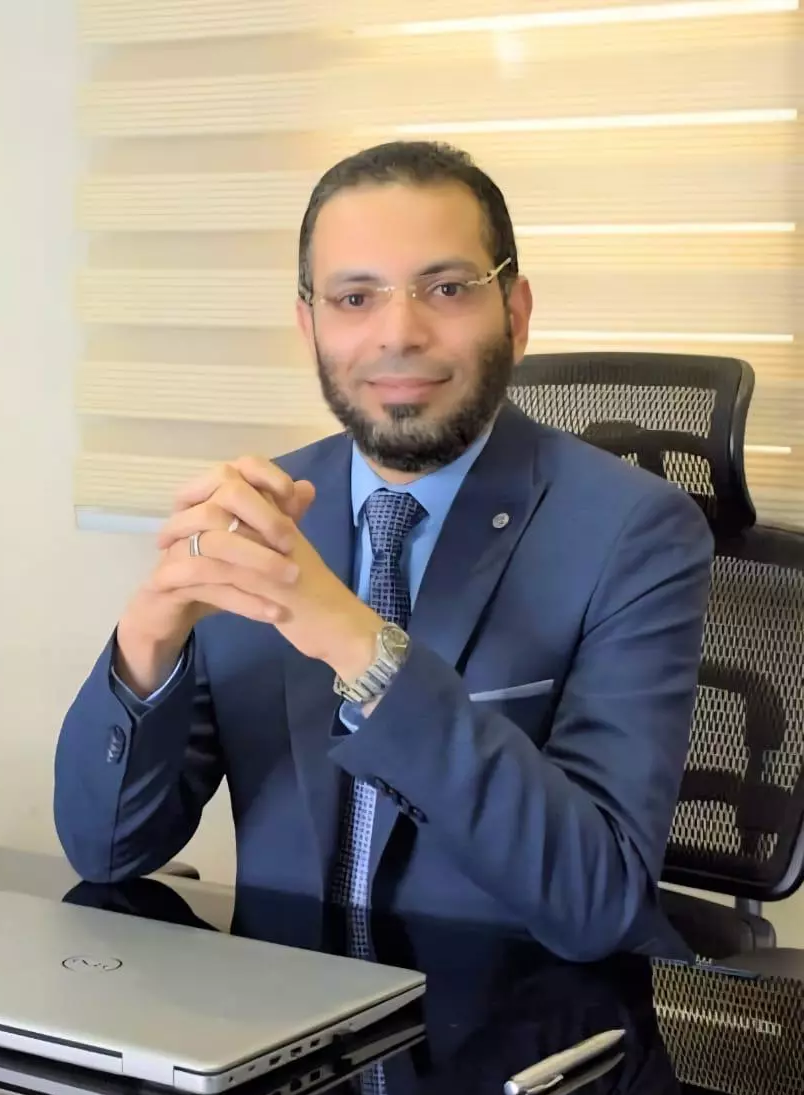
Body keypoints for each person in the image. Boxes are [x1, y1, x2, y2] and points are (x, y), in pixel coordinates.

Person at [54, 139, 713, 963]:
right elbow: (107, 851)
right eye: (355, 297)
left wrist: (355, 641)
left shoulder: (636, 532)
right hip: (285, 1018)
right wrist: (148, 643)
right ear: (310, 326)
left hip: (513, 1018)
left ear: (515, 314)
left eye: (447, 288)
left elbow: (597, 901)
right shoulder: (263, 517)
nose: (399, 333)